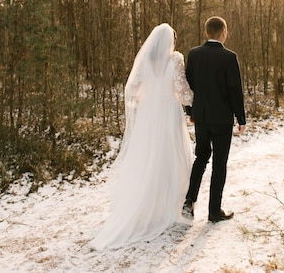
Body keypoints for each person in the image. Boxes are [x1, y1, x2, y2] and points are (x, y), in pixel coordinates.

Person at [90, 23, 194, 250]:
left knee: (149, 157)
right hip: (168, 113)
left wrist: (148, 98)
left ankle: (149, 206)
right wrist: (194, 100)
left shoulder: (145, 61)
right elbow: (183, 91)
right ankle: (168, 207)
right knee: (172, 156)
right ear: (170, 42)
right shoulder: (175, 59)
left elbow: (133, 89)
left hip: (149, 114)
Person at [182, 16, 246, 223]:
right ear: (224, 32)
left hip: (201, 117)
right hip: (221, 120)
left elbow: (188, 86)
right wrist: (241, 118)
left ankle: (189, 201)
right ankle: (214, 211)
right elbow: (234, 90)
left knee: (200, 158)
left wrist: (190, 111)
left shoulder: (194, 54)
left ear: (207, 32)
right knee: (219, 163)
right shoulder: (229, 57)